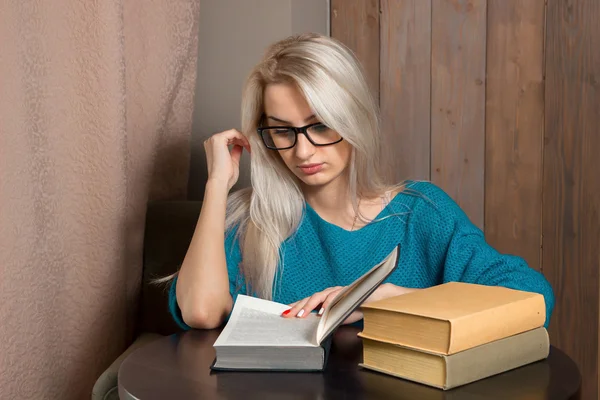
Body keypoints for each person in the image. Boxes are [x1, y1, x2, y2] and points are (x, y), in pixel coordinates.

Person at [164, 33, 555, 331]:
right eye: (283, 132)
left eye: (320, 125)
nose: (303, 152)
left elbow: (533, 298)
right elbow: (200, 311)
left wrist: (384, 299)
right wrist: (217, 184)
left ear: (352, 118)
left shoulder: (421, 213)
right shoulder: (252, 221)